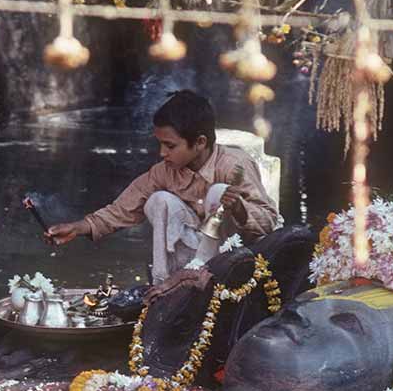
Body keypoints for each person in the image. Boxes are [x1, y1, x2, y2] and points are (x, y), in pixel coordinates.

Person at [47, 90, 281, 282]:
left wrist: (239, 208)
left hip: (232, 260)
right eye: (160, 144)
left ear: (200, 142)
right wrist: (78, 228)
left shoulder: (233, 166)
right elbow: (124, 208)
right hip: (190, 257)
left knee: (219, 197)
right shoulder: (164, 171)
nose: (162, 153)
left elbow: (269, 222)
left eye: (170, 146)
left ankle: (197, 280)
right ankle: (165, 281)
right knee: (159, 200)